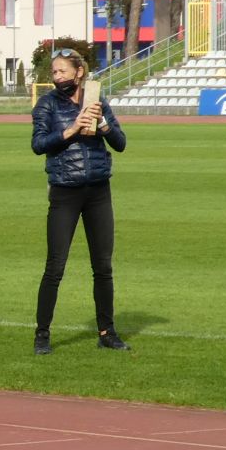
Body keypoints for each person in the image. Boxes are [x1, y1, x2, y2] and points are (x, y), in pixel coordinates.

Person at [31, 48, 130, 354]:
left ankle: (107, 332)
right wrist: (72, 129)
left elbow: (121, 143)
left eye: (62, 71)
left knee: (103, 267)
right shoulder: (47, 104)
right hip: (65, 192)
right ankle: (42, 335)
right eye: (54, 72)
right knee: (55, 267)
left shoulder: (96, 100)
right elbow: (38, 144)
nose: (57, 76)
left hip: (98, 191)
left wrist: (103, 124)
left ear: (79, 72)